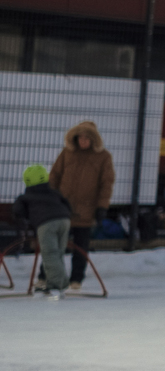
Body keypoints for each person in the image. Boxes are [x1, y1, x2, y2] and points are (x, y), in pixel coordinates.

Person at [49, 120, 115, 292]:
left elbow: (106, 184)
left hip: (86, 211)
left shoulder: (104, 157)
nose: (83, 141)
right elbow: (55, 176)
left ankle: (76, 279)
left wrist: (102, 207)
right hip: (63, 208)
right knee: (55, 245)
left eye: (87, 138)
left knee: (81, 247)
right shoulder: (67, 153)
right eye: (80, 137)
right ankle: (48, 276)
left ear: (94, 139)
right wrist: (51, 198)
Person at [13, 165, 74, 299]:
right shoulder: (54, 192)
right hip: (64, 220)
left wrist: (28, 220)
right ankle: (61, 283)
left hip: (46, 224)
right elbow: (67, 204)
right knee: (58, 252)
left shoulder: (25, 197)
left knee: (50, 253)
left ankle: (56, 286)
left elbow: (18, 212)